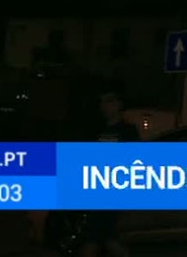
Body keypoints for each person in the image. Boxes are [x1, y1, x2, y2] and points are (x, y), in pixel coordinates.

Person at [79, 87, 139, 257]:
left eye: (109, 101)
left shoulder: (127, 131)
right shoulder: (97, 131)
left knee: (100, 237)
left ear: (119, 104)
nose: (104, 106)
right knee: (100, 237)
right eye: (102, 102)